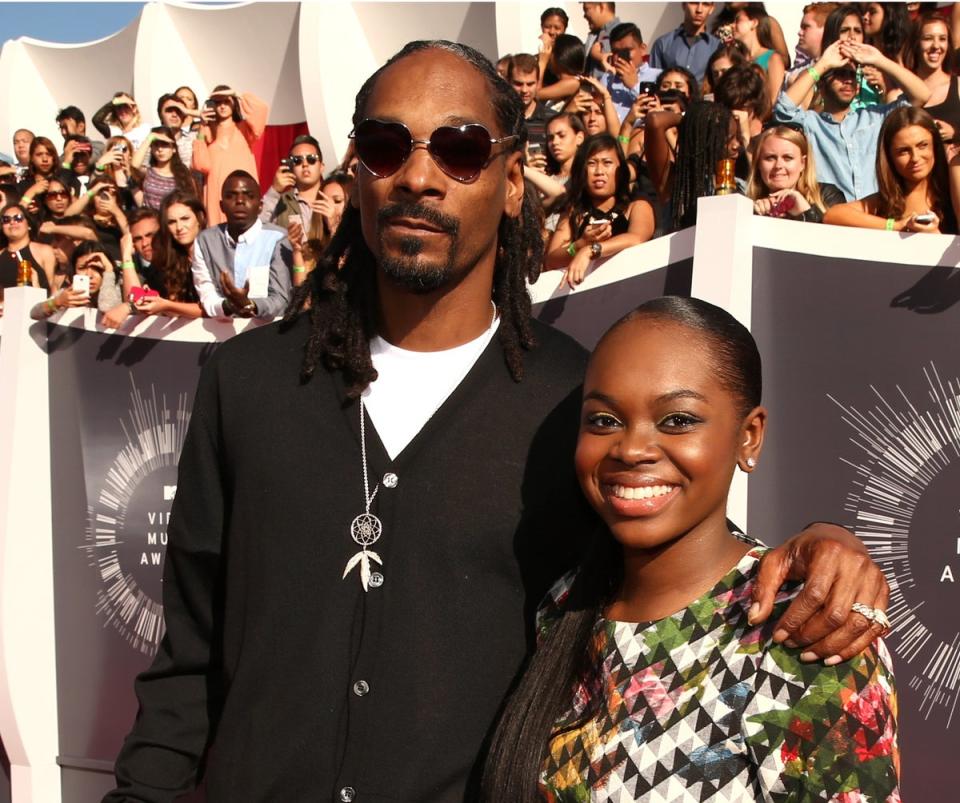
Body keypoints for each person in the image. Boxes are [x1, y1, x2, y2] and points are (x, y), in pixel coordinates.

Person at [106, 40, 890, 803]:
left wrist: (826, 542)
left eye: (460, 149)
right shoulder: (247, 382)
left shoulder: (571, 404)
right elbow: (187, 658)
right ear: (357, 172)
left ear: (515, 180)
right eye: (386, 146)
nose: (418, 175)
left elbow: (672, 567)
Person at [481, 296, 899, 802]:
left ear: (749, 437)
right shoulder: (564, 605)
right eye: (604, 420)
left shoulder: (803, 629)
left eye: (677, 420)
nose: (631, 449)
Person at [774, 37, 931, 201]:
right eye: (840, 74)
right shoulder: (811, 124)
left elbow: (921, 96)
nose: (848, 81)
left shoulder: (875, 118)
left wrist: (879, 60)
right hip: (831, 218)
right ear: (821, 84)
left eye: (852, 75)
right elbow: (783, 109)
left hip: (876, 218)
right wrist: (822, 65)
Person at [544, 133, 655, 287]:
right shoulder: (573, 212)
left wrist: (591, 250)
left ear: (620, 170)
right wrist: (579, 245)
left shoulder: (637, 205)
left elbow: (636, 238)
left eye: (607, 162)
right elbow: (551, 261)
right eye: (591, 163)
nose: (599, 171)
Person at [824, 105, 957, 233]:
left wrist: (933, 234)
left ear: (935, 146)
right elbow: (832, 215)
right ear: (889, 156)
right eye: (903, 151)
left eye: (922, 145)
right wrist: (895, 226)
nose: (915, 158)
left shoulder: (953, 194)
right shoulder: (886, 201)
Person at [191, 170, 291, 318]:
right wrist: (230, 306)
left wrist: (250, 305)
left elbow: (281, 299)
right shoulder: (204, 241)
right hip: (221, 335)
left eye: (249, 196)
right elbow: (207, 296)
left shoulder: (278, 238)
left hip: (266, 333)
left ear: (260, 206)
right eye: (231, 195)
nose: (240, 201)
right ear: (221, 205)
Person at [192, 85, 269, 226]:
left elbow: (261, 108)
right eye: (218, 102)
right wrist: (202, 127)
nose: (222, 106)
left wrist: (237, 94)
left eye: (226, 101)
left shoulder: (245, 129)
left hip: (244, 191)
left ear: (234, 103)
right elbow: (201, 165)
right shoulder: (207, 131)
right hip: (217, 193)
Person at [125, 191, 205, 319]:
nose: (179, 227)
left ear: (199, 218)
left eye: (185, 219)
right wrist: (126, 257)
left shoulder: (214, 252)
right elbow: (134, 300)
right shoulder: (172, 262)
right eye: (172, 222)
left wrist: (167, 305)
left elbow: (214, 309)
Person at [747, 125, 846, 221]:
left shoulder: (828, 196)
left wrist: (805, 211)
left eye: (787, 158)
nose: (778, 166)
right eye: (770, 158)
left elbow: (835, 237)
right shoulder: (746, 206)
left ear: (803, 163)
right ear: (758, 163)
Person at [906, 12, 960, 147]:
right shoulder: (900, 93)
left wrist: (955, 133)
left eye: (942, 39)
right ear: (916, 43)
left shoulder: (959, 86)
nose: (936, 46)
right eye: (928, 38)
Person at [602, 22, 663, 122]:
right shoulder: (607, 79)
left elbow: (657, 114)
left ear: (642, 49)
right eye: (616, 52)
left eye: (627, 50)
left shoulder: (658, 76)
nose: (621, 57)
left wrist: (634, 85)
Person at [731, 5, 786, 113]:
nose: (732, 26)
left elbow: (774, 99)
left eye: (738, 20)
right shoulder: (736, 58)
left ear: (754, 23)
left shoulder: (773, 58)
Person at [649, 2, 721, 84]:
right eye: (694, 3)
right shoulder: (663, 44)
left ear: (711, 9)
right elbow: (654, 82)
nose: (699, 10)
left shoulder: (717, 47)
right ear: (684, 5)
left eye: (705, 4)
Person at [131, 127, 199, 210]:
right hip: (152, 219)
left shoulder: (184, 174)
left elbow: (194, 203)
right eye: (156, 145)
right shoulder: (148, 172)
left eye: (164, 145)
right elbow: (134, 166)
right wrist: (150, 137)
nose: (160, 149)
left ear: (173, 149)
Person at [0, 201, 55, 289]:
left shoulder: (44, 251)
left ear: (29, 224)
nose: (12, 222)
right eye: (6, 219)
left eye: (18, 218)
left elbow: (54, 289)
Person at [510, 53, 552, 150]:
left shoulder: (552, 119)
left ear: (538, 83)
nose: (524, 90)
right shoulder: (500, 119)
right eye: (518, 84)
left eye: (530, 84)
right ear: (508, 81)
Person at [582, 2, 620, 80]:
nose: (584, 15)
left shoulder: (623, 33)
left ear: (602, 6)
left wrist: (598, 55)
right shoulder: (594, 35)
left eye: (587, 9)